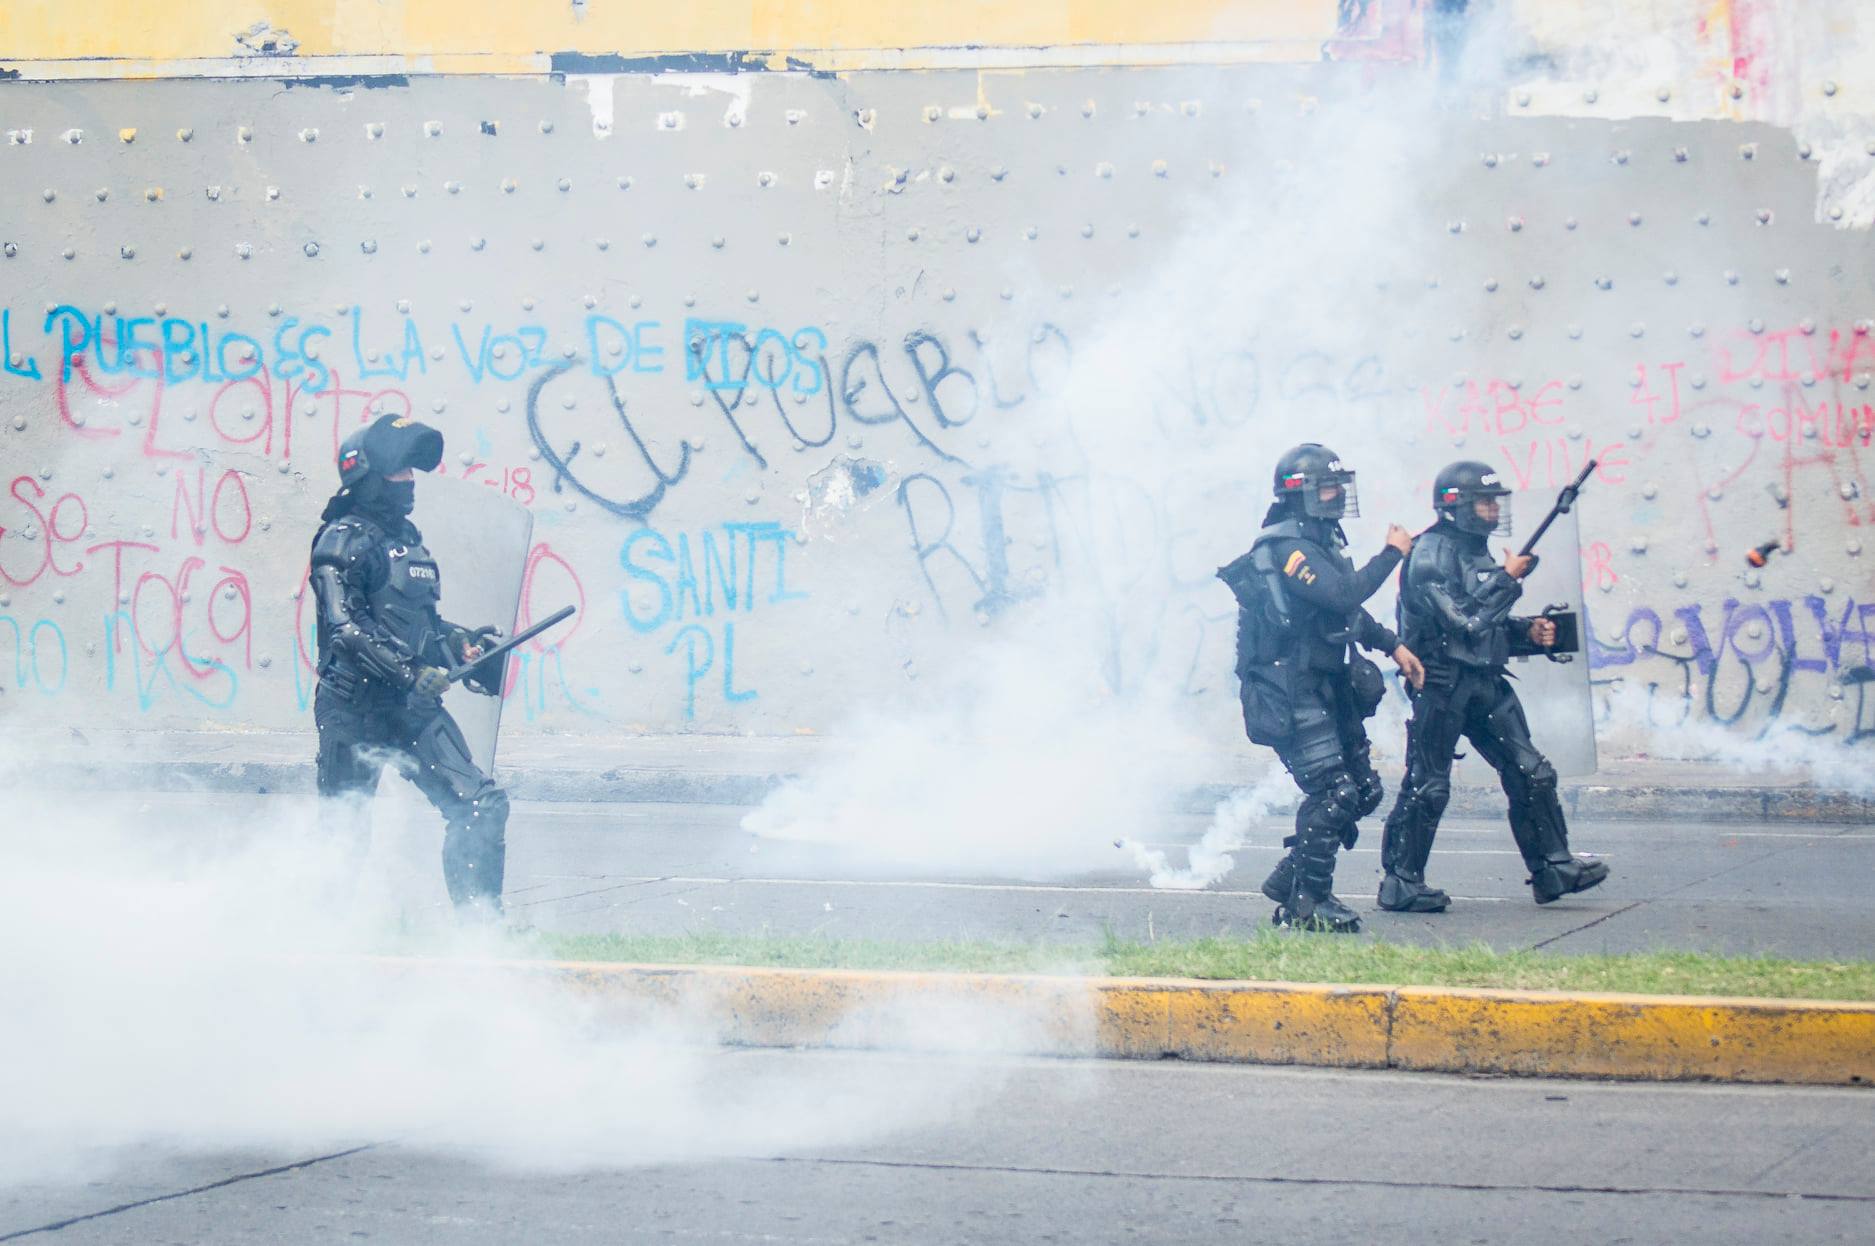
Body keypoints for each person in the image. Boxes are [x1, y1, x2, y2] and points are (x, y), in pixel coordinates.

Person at [1377, 460, 1610, 912]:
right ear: (1454, 506)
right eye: (1482, 502)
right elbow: (1463, 621)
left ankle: (1552, 867)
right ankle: (1400, 881)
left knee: (1531, 771)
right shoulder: (1429, 554)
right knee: (1429, 786)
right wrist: (1510, 580)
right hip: (1441, 685)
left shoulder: (1477, 552)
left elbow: (1484, 623)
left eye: (1493, 501)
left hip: (1484, 681)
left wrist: (1530, 633)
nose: (1491, 510)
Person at [1217, 444, 1426, 933]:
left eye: (1338, 486)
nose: (1336, 495)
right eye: (1327, 487)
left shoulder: (1320, 541)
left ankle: (1290, 879)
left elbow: (1344, 613)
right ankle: (1308, 903)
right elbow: (1343, 594)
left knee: (1363, 791)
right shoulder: (1287, 548)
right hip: (1287, 690)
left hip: (1324, 686)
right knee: (1334, 790)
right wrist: (1392, 553)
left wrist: (1392, 645)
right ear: (1300, 493)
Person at [309, 413, 510, 912]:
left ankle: (482, 934)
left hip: (409, 706)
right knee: (344, 831)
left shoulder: (407, 539)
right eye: (399, 473)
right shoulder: (342, 540)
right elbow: (346, 628)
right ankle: (322, 941)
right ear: (367, 477)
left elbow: (415, 625)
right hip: (353, 708)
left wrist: (459, 645)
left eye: (412, 473)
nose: (409, 483)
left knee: (479, 804)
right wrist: (409, 671)